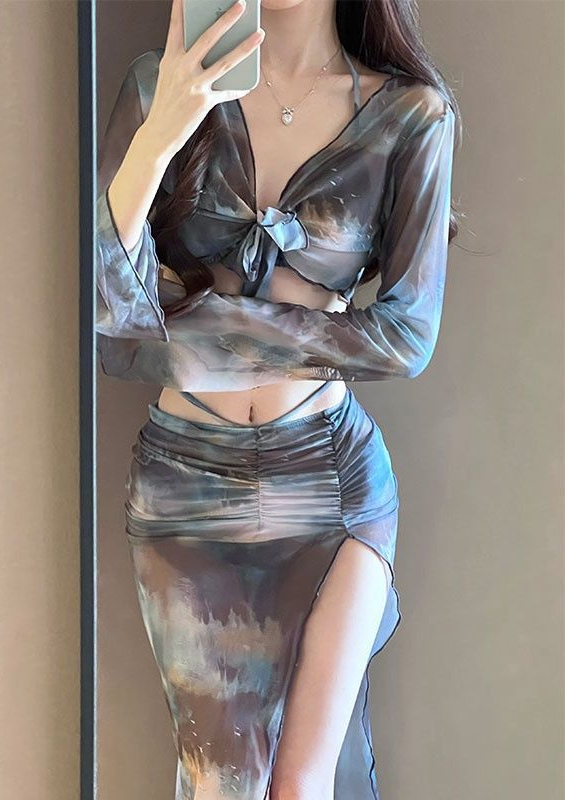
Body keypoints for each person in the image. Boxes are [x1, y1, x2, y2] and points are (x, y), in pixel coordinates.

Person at [95, 0, 460, 797]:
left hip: (333, 479)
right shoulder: (158, 87)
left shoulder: (412, 116)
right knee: (222, 787)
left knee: (300, 787)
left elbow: (406, 337)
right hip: (186, 488)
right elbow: (111, 320)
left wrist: (197, 320)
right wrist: (161, 135)